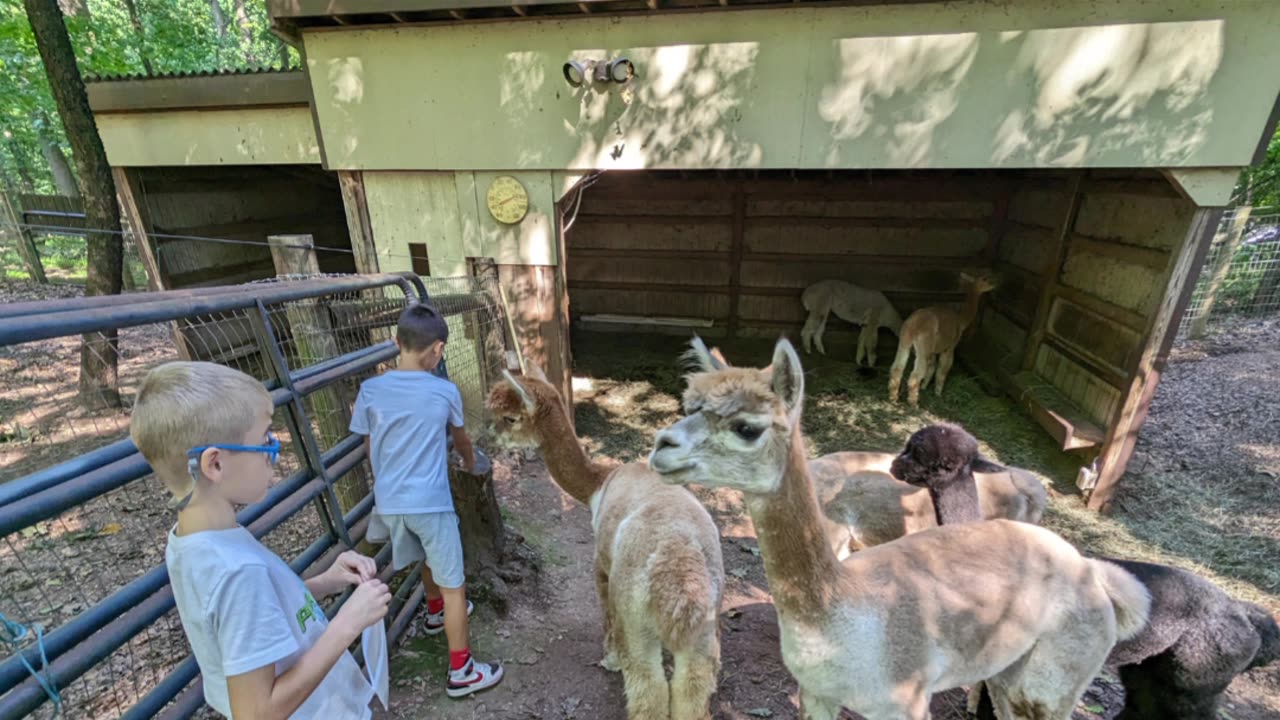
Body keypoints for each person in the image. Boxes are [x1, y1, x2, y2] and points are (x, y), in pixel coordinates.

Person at [131, 360, 390, 719]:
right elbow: (257, 713)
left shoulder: (194, 541)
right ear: (215, 465)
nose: (274, 449)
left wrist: (325, 582)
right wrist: (347, 624)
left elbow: (255, 614)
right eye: (264, 440)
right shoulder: (238, 571)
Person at [350, 302, 504, 698]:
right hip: (431, 503)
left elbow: (371, 446)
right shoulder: (443, 390)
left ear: (395, 342)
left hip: (390, 502)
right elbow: (461, 440)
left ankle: (434, 613)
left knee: (423, 556)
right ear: (436, 351)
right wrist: (471, 465)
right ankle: (462, 672)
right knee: (456, 586)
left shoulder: (370, 390)